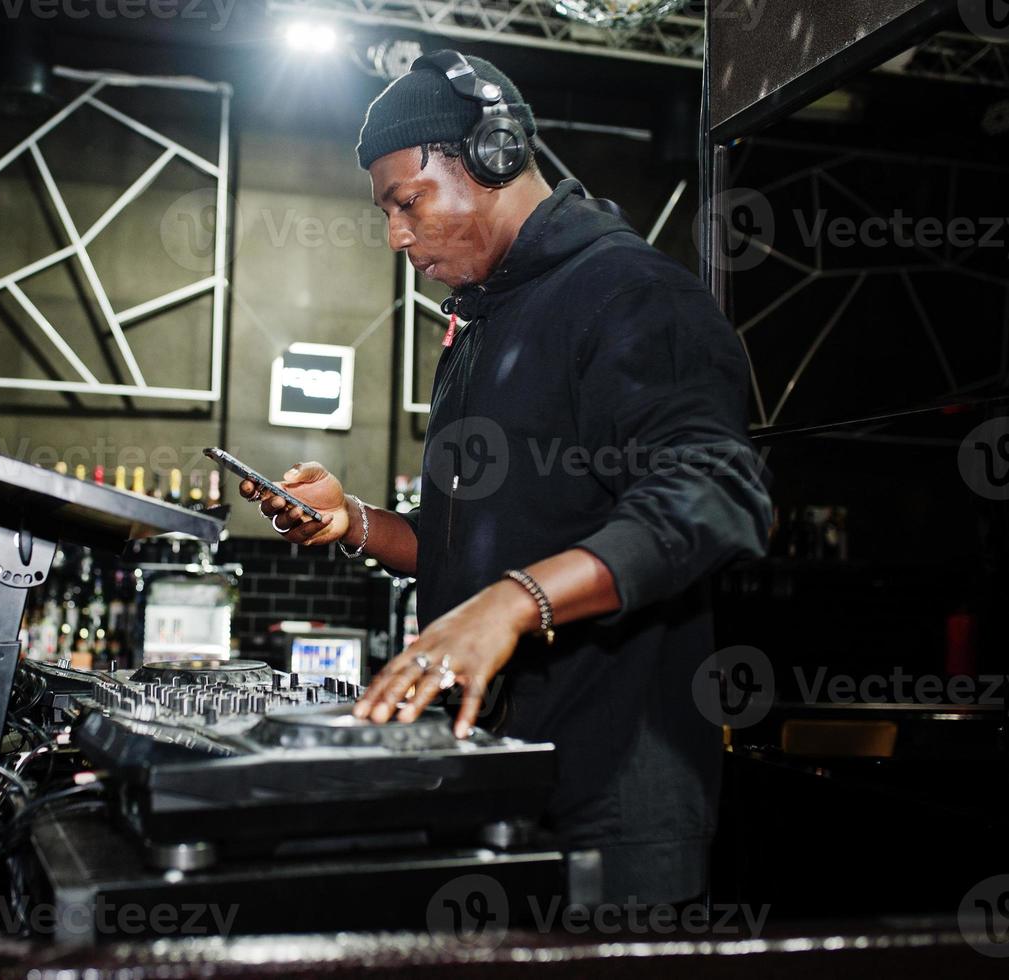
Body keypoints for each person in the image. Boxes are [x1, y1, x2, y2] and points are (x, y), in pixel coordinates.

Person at [236, 50, 772, 906]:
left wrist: (515, 600)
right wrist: (353, 523)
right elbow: (469, 556)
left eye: (405, 203)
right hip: (492, 782)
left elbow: (716, 497)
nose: (395, 239)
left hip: (612, 803)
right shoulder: (482, 322)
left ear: (489, 157)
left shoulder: (632, 296)